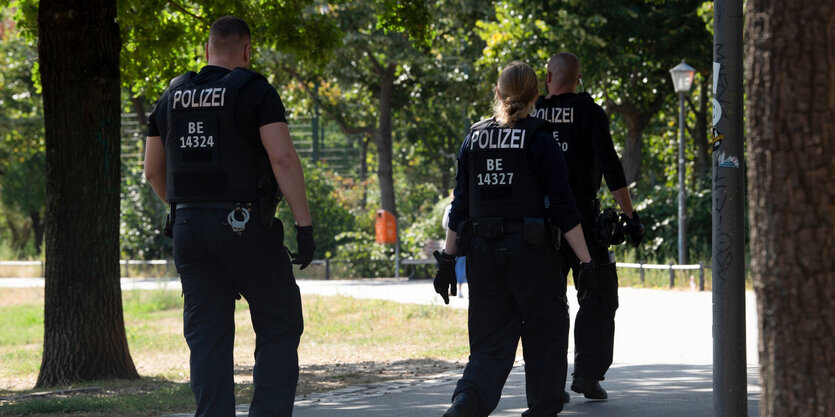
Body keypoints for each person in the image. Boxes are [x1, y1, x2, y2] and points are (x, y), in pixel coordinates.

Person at [143, 16, 315, 417]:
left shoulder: (170, 96)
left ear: (207, 50)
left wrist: (189, 207)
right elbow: (283, 158)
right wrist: (303, 225)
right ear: (247, 51)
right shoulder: (255, 91)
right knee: (279, 321)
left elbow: (152, 170)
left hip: (187, 229)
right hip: (244, 227)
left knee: (207, 339)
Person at [433, 61, 597, 417]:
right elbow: (565, 210)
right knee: (546, 336)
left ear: (497, 92)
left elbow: (458, 207)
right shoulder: (541, 138)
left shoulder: (473, 139)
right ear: (536, 95)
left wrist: (447, 260)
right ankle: (541, 409)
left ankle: (465, 404)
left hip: (482, 257)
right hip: (532, 257)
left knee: (489, 347)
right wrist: (587, 263)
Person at [533, 52, 644, 400]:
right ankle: (587, 374)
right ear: (579, 80)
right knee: (599, 297)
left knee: (548, 304)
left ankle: (548, 382)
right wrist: (630, 215)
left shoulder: (530, 112)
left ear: (548, 77)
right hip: (582, 219)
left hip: (539, 223)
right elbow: (611, 165)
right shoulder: (590, 113)